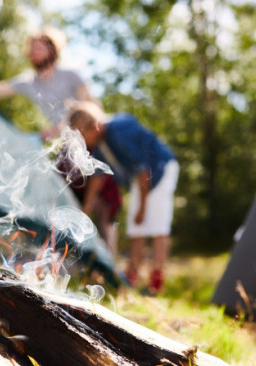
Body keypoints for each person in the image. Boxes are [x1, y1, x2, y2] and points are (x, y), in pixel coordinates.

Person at [0, 27, 122, 254]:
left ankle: (113, 265)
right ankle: (78, 260)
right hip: (65, 152)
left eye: (39, 46)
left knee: (105, 206)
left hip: (91, 146)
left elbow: (95, 109)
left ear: (52, 48)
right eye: (31, 47)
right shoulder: (30, 83)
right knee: (69, 204)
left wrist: (63, 127)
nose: (33, 51)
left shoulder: (71, 75)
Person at [67, 101, 179, 294]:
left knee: (156, 225)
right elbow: (97, 177)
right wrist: (85, 208)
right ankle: (132, 275)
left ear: (95, 126)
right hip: (142, 180)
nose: (82, 141)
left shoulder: (118, 134)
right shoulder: (101, 144)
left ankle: (156, 280)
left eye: (83, 135)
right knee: (136, 226)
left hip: (159, 171)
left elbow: (143, 170)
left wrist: (142, 208)